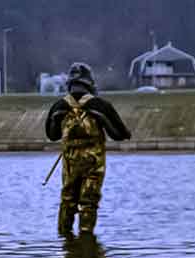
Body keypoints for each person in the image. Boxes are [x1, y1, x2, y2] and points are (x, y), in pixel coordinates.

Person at [45, 63, 131, 235]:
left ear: (69, 84)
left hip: (70, 165)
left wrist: (57, 120)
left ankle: (65, 240)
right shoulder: (100, 105)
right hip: (93, 164)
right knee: (89, 203)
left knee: (67, 201)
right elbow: (122, 135)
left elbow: (52, 135)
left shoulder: (59, 106)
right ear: (90, 83)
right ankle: (86, 241)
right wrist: (103, 120)